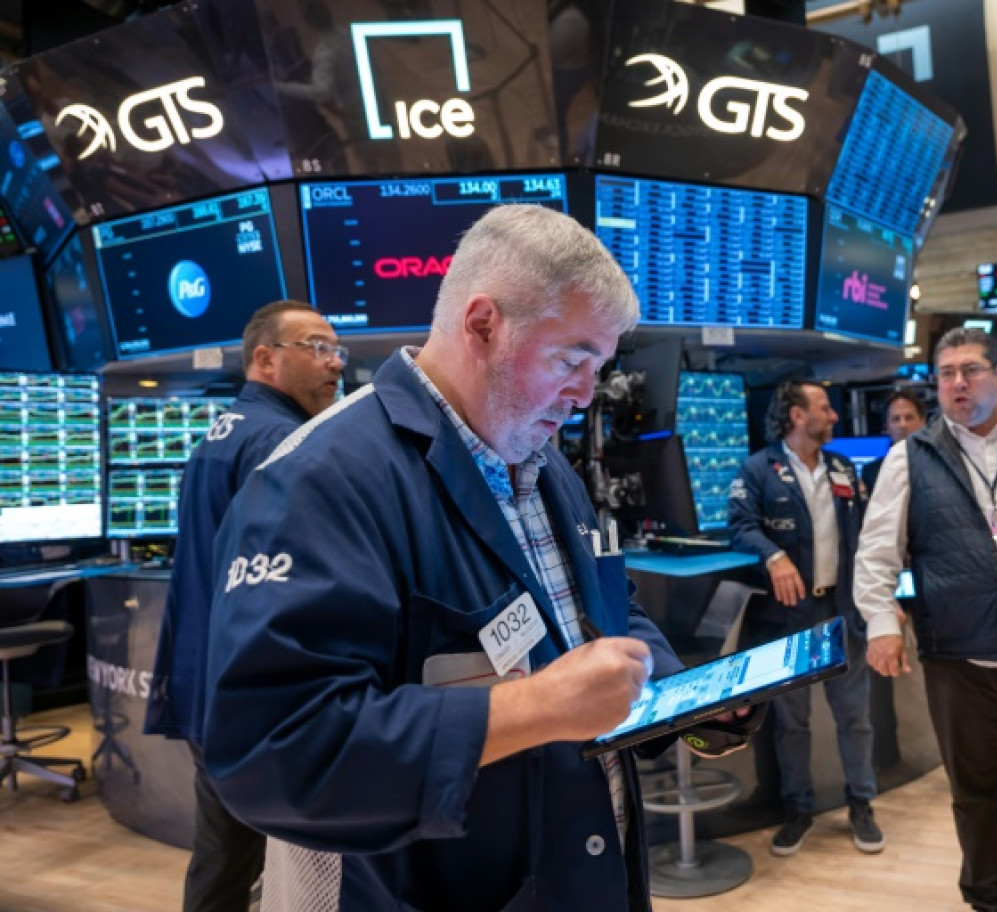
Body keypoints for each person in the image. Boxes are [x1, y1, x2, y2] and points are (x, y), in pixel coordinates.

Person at [200, 205, 696, 911]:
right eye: (570, 358)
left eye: (601, 366)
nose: (587, 394)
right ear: (483, 324)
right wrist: (533, 708)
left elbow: (605, 614)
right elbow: (276, 752)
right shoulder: (319, 479)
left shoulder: (544, 461)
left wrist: (682, 701)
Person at [855, 327, 997, 912]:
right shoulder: (910, 455)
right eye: (945, 373)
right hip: (960, 659)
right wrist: (880, 623)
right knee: (977, 796)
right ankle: (990, 900)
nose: (956, 382)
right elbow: (876, 552)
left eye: (970, 369)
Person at [144, 300, 345, 912]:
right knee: (255, 861)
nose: (335, 363)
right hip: (249, 689)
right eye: (316, 347)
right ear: (265, 358)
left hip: (209, 678)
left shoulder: (222, 430)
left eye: (337, 350)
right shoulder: (284, 442)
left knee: (223, 857)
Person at [728, 380, 883, 856]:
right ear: (797, 415)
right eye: (823, 407)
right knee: (792, 722)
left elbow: (863, 537)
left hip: (840, 609)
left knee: (854, 717)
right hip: (790, 616)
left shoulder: (841, 468)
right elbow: (739, 526)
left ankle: (862, 805)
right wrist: (774, 557)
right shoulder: (759, 468)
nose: (834, 416)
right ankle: (797, 810)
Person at [859, 388, 927, 493]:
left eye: (909, 418)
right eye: (896, 419)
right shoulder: (871, 472)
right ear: (887, 426)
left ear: (922, 422)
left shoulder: (938, 465)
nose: (903, 425)